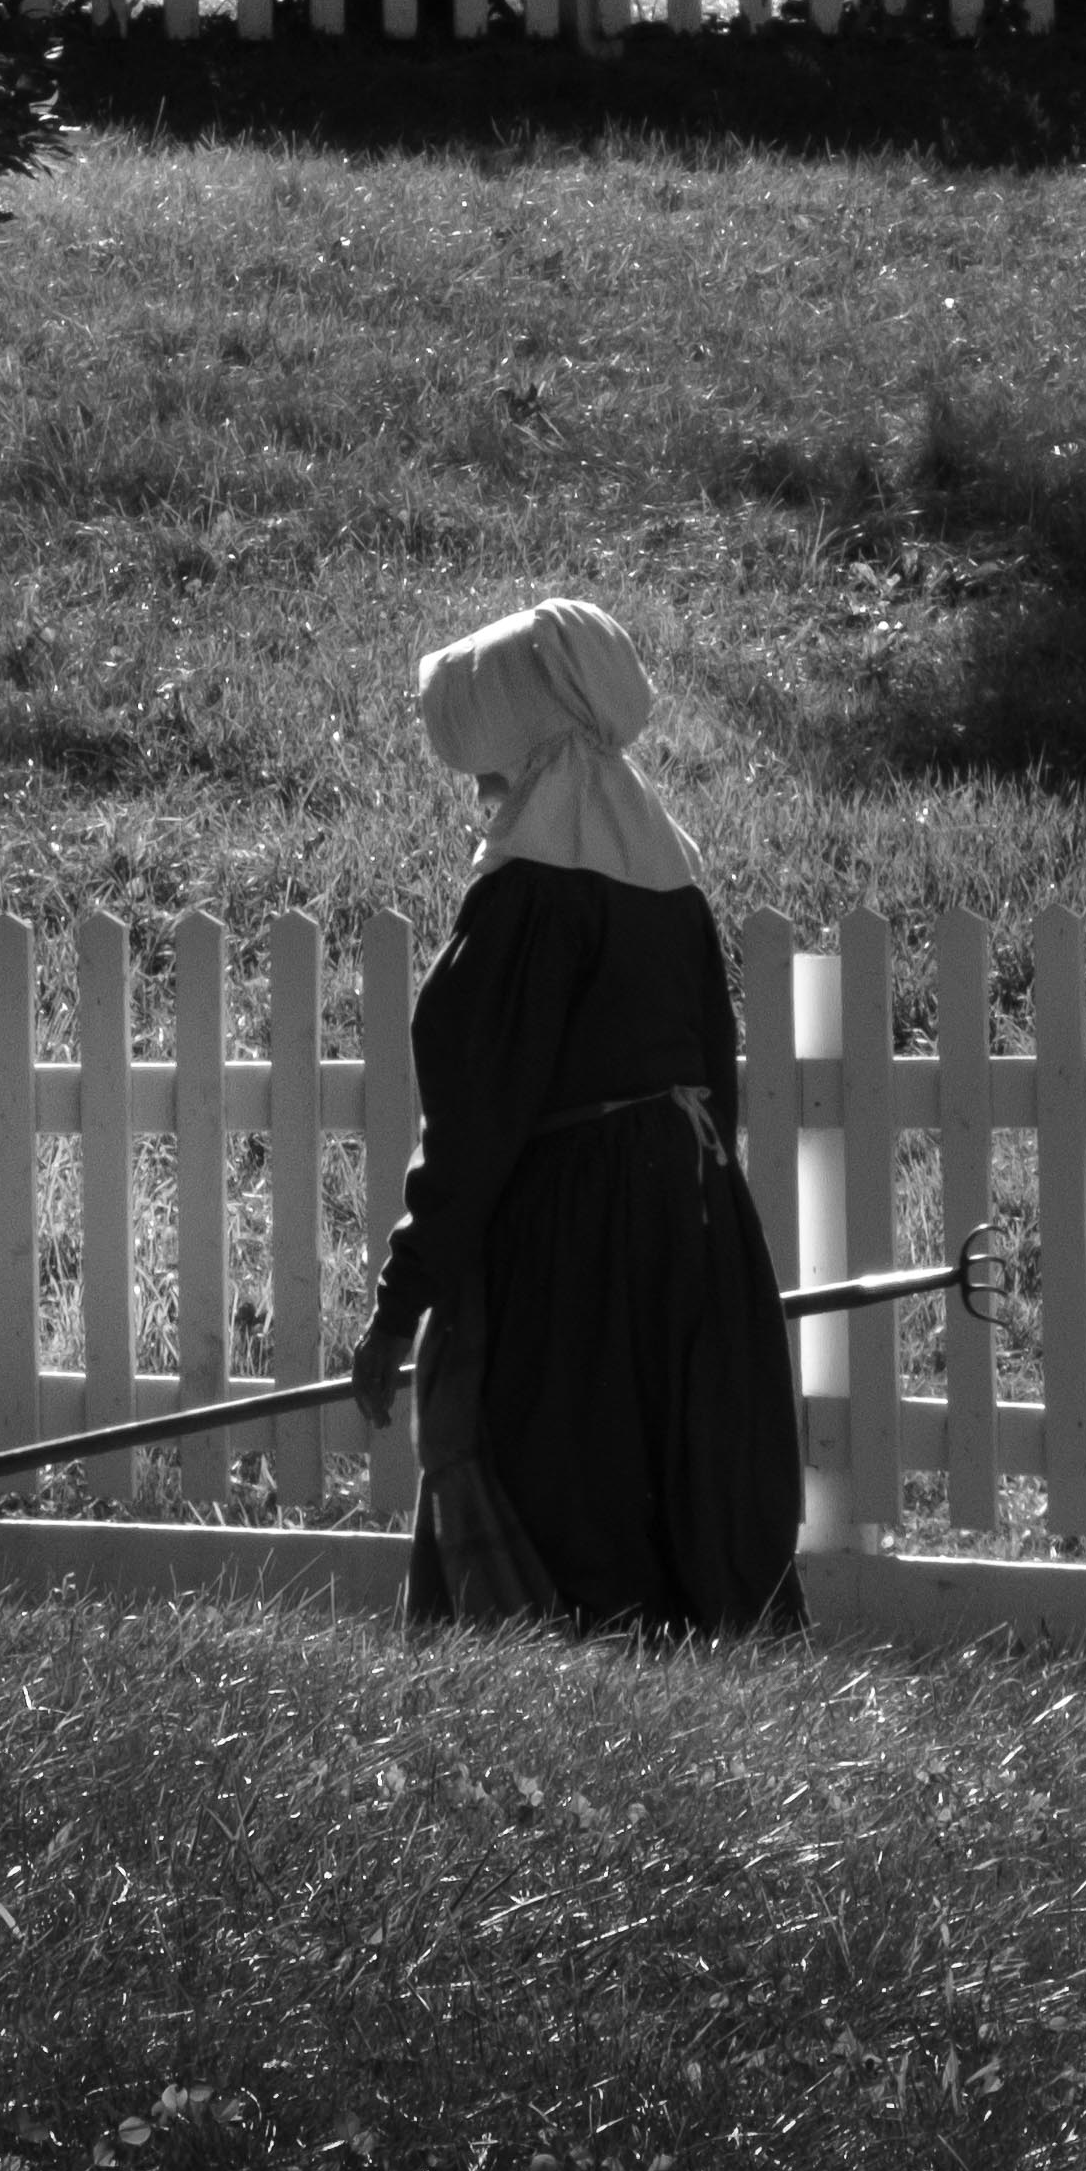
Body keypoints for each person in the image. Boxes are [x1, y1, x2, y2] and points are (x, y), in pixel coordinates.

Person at [344, 599, 802, 1635]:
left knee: (566, 1475)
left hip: (574, 1241)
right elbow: (714, 1087)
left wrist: (401, 1302)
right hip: (691, 1219)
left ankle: (578, 1663)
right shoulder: (670, 885)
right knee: (678, 1462)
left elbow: (475, 1117)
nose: (479, 792)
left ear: (526, 750)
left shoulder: (528, 899)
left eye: (488, 767)